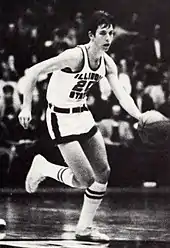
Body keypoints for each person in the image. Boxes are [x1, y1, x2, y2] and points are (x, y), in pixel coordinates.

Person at [18, 10, 143, 242]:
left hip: (82, 113)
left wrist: (139, 116)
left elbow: (122, 94)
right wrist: (26, 107)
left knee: (103, 173)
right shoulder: (74, 57)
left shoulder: (107, 63)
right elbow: (33, 72)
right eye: (103, 33)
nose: (108, 38)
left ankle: (84, 229)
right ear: (91, 35)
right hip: (59, 117)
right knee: (85, 180)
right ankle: (44, 168)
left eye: (111, 33)